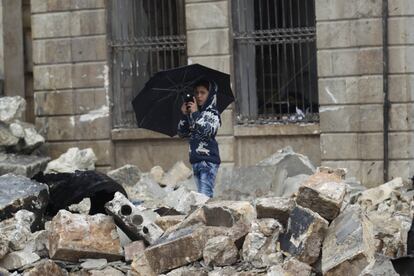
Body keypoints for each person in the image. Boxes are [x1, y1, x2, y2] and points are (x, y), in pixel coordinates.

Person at [177, 80, 221, 198]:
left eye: (203, 92)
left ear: (210, 94)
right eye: (196, 93)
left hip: (208, 161)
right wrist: (185, 115)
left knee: (204, 196)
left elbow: (208, 131)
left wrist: (196, 114)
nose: (199, 96)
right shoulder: (192, 112)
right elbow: (182, 134)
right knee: (201, 197)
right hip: (195, 160)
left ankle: (207, 216)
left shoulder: (213, 113)